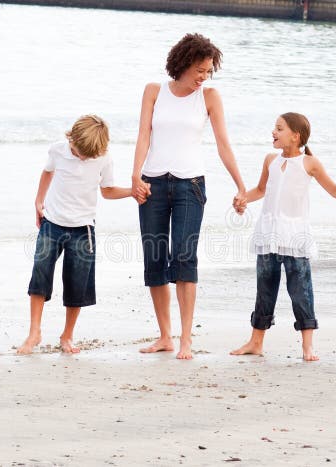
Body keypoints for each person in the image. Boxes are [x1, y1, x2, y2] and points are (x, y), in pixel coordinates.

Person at [131, 33, 247, 360]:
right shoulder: (153, 91)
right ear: (182, 63)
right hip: (152, 184)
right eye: (199, 70)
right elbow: (143, 135)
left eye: (208, 71)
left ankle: (185, 339)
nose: (203, 77)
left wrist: (240, 185)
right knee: (154, 259)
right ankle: (165, 336)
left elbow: (224, 144)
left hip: (190, 186)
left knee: (184, 258)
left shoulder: (209, 97)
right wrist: (135, 175)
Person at [230, 113, 336, 361]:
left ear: (295, 136)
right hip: (268, 234)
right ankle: (256, 341)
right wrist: (243, 199)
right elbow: (261, 190)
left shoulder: (310, 163)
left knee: (300, 290)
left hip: (295, 236)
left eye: (279, 128)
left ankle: (307, 346)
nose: (273, 132)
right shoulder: (270, 160)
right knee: (264, 289)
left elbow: (334, 190)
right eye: (274, 128)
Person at [17, 115, 134, 355]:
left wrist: (133, 192)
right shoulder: (58, 150)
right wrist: (38, 201)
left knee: (77, 283)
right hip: (52, 223)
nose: (81, 157)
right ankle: (34, 332)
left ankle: (67, 335)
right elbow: (47, 172)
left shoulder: (103, 158)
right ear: (71, 138)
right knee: (40, 273)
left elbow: (108, 191)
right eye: (78, 151)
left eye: (86, 155)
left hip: (83, 230)